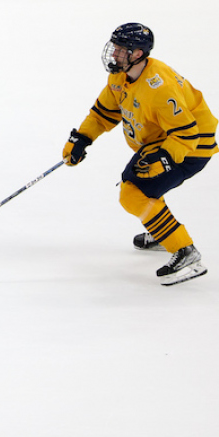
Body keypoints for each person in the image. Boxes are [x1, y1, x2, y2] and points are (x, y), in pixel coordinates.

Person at [62, 23, 214, 286]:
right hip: (163, 140)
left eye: (121, 50)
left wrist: (164, 160)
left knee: (132, 192)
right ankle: (161, 230)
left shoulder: (160, 88)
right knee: (140, 185)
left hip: (191, 146)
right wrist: (82, 138)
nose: (114, 55)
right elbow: (103, 113)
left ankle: (186, 252)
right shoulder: (120, 77)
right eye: (115, 48)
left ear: (138, 54)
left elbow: (188, 133)